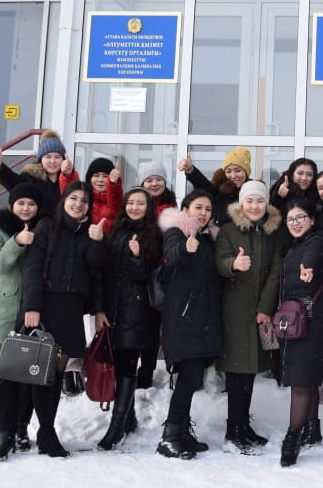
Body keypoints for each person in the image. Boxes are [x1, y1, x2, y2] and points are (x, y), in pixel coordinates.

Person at [21, 181, 106, 458]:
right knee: (40, 372)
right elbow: (33, 268)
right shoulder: (47, 226)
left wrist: (98, 241)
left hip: (71, 309)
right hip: (47, 305)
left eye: (84, 201)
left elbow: (96, 271)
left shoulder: (89, 232)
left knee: (57, 372)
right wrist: (32, 307)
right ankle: (41, 431)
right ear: (64, 200)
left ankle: (46, 431)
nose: (78, 204)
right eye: (74, 198)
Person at [215, 179, 283, 455]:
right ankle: (233, 432)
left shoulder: (272, 233)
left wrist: (266, 307)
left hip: (259, 311)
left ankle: (243, 426)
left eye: (260, 200)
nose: (254, 206)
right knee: (236, 372)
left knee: (250, 371)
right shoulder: (228, 231)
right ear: (241, 204)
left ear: (267, 204)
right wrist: (233, 264)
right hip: (234, 310)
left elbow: (276, 270)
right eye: (249, 201)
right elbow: (220, 262)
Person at [156, 191, 224, 459]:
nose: (203, 212)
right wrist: (186, 248)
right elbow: (172, 255)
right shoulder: (177, 232)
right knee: (188, 380)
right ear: (185, 209)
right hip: (183, 319)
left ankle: (182, 433)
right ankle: (170, 437)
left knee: (191, 378)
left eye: (207, 208)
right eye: (198, 207)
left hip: (202, 319)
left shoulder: (208, 240)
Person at [96, 187, 163, 451]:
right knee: (117, 364)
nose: (135, 207)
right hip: (113, 309)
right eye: (131, 203)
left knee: (126, 366)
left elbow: (148, 276)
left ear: (148, 208)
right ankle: (129, 417)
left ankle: (116, 428)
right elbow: (104, 271)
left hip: (137, 310)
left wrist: (137, 257)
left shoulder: (153, 234)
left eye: (140, 203)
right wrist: (100, 309)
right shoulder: (116, 230)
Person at [0, 182, 42, 462]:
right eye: (21, 203)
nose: (26, 208)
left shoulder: (44, 228)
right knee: (6, 377)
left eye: (31, 204)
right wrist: (17, 242)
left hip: (34, 311)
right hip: (8, 310)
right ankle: (3, 434)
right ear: (12, 206)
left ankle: (21, 428)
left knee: (29, 375)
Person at [276, 199, 323, 467]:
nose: (295, 223)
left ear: (311, 219)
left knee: (300, 381)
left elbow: (313, 255)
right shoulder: (293, 246)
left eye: (300, 218)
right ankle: (312, 429)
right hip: (295, 319)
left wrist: (308, 267)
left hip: (311, 320)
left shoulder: (317, 240)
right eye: (291, 219)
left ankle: (292, 438)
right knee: (307, 379)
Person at [134, 161, 172, 388]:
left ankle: (172, 369)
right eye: (149, 180)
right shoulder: (137, 207)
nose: (154, 183)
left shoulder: (172, 207)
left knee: (168, 326)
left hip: (164, 275)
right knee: (147, 326)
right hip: (141, 273)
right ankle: (145, 372)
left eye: (158, 179)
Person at [0, 130, 79, 215]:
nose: (52, 161)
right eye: (48, 157)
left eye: (57, 157)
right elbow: (13, 183)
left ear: (63, 159)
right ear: (41, 159)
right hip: (38, 225)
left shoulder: (68, 177)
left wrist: (69, 174)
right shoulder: (31, 177)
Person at [180, 147, 251, 226]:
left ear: (246, 172)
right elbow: (202, 184)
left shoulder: (253, 193)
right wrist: (190, 169)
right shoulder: (218, 191)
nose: (233, 176)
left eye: (238, 171)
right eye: (228, 171)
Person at [61, 156, 122, 226]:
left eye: (105, 176)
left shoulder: (115, 202)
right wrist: (69, 175)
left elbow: (115, 196)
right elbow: (71, 190)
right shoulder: (85, 197)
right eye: (96, 175)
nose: (100, 180)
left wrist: (113, 183)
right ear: (90, 178)